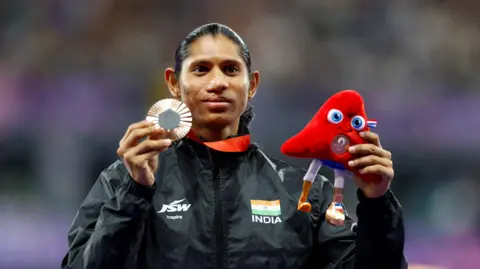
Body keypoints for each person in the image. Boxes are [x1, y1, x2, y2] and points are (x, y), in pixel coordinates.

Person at [61, 23, 408, 269]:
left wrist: (376, 204)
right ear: (174, 84)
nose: (217, 83)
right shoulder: (124, 181)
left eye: (230, 69)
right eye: (200, 70)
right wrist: (135, 193)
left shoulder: (302, 194)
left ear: (251, 85)